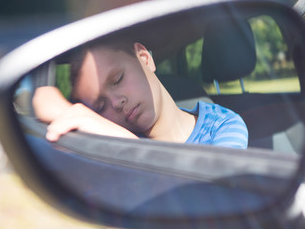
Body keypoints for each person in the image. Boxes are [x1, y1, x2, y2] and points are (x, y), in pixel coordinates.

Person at [32, 39, 248, 149]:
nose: (116, 103)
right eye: (100, 106)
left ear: (145, 58)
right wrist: (81, 115)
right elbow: (44, 100)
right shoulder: (105, 139)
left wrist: (126, 142)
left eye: (117, 79)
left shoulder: (223, 126)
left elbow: (209, 195)